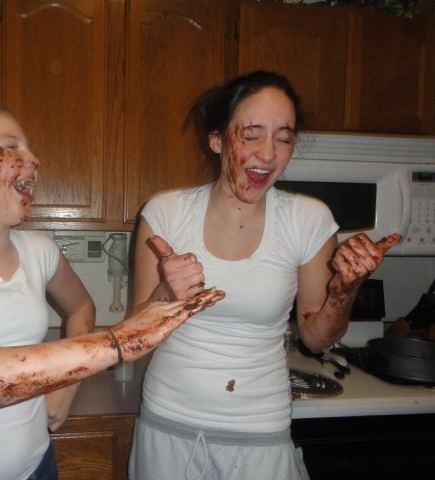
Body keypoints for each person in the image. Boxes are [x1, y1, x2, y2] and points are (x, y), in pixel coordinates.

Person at [0, 99, 225, 480]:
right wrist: (116, 343)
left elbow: (81, 308)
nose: (34, 159)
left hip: (36, 467)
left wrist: (67, 388)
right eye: (12, 147)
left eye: (29, 148)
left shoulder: (39, 250)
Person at [128, 71, 401, 480]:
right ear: (217, 140)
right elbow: (133, 337)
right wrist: (166, 293)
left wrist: (344, 291)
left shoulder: (308, 220)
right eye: (252, 135)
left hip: (260, 432)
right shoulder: (165, 213)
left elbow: (315, 338)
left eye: (283, 138)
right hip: (169, 424)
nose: (269, 154)